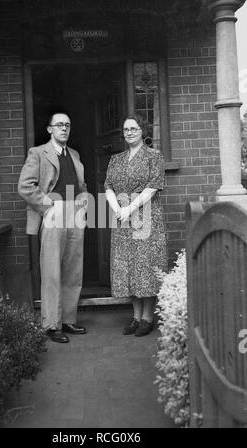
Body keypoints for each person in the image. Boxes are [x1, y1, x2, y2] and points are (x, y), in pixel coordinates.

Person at [18, 112, 88, 343]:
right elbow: (25, 186)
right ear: (49, 129)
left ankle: (68, 320)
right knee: (51, 270)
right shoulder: (38, 153)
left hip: (75, 214)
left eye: (67, 125)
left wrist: (84, 201)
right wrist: (48, 206)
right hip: (53, 211)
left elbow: (82, 185)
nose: (64, 129)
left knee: (73, 269)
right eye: (59, 125)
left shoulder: (75, 154)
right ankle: (51, 324)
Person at [104, 113, 167, 336]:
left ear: (143, 131)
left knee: (146, 264)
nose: (129, 133)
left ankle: (148, 317)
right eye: (126, 129)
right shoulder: (116, 159)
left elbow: (153, 186)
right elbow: (109, 186)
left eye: (134, 129)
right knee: (129, 265)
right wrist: (117, 209)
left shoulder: (153, 157)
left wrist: (130, 208)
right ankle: (136, 316)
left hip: (146, 216)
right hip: (122, 218)